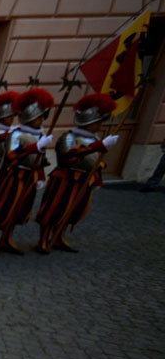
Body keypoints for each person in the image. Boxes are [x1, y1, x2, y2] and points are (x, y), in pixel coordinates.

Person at [34, 93, 119, 254]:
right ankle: (44, 239)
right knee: (55, 209)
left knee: (74, 211)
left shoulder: (95, 139)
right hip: (66, 179)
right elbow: (67, 157)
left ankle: (58, 237)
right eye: (97, 122)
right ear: (88, 122)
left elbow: (95, 161)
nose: (99, 125)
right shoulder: (69, 137)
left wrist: (97, 178)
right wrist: (97, 146)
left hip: (84, 180)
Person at [0, 88, 54, 256]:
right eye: (39, 117)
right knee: (3, 207)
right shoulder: (15, 134)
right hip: (14, 176)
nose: (42, 120)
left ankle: (6, 238)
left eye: (43, 116)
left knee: (21, 210)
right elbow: (11, 155)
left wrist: (41, 175)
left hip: (31, 176)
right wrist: (33, 147)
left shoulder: (41, 134)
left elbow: (40, 158)